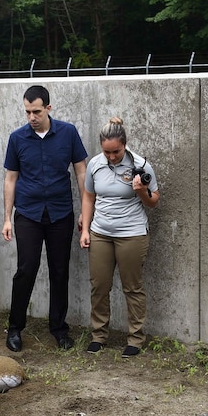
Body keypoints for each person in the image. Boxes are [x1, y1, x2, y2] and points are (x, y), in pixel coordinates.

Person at [1, 85, 88, 352]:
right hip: (28, 213)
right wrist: (7, 217)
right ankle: (15, 328)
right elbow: (10, 178)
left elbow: (81, 172)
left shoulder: (68, 133)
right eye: (27, 111)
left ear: (48, 108)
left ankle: (59, 329)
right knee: (26, 270)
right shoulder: (17, 138)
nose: (31, 117)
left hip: (61, 212)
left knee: (60, 270)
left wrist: (86, 211)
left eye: (36, 111)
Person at [78, 116, 160, 358]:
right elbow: (88, 197)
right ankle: (98, 336)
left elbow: (154, 201)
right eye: (107, 152)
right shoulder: (94, 164)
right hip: (101, 233)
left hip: (132, 234)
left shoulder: (141, 165)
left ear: (125, 145)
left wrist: (141, 192)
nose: (112, 157)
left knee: (132, 287)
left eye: (116, 152)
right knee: (99, 286)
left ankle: (135, 338)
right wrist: (85, 229)